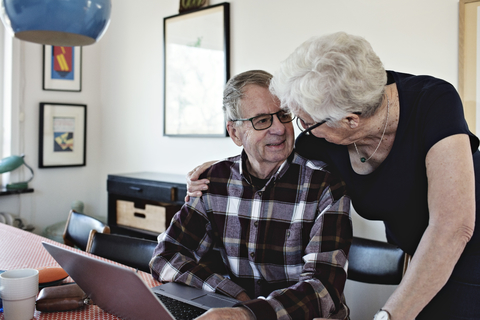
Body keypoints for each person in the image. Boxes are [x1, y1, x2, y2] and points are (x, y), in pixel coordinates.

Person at [186, 32, 480, 320]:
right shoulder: (321, 137)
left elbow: (452, 228)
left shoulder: (433, 101)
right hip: (418, 250)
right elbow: (273, 156)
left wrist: (388, 316)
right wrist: (226, 169)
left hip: (468, 247)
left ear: (351, 120)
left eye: (307, 122)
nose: (300, 128)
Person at [150, 70, 352, 320]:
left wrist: (249, 313)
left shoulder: (326, 186)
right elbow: (166, 256)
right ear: (235, 133)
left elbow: (323, 290)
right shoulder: (212, 181)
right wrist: (236, 296)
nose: (279, 128)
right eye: (262, 120)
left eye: (283, 115)